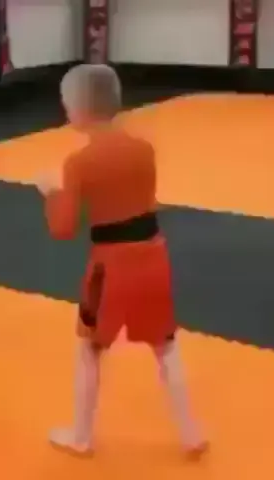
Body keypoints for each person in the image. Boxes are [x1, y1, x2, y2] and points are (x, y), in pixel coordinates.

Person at [36, 64, 207, 458]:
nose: (64, 110)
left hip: (109, 267)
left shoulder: (79, 162)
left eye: (66, 103)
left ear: (80, 108)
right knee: (166, 347)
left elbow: (63, 228)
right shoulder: (144, 149)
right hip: (153, 256)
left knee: (89, 349)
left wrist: (50, 194)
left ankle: (80, 437)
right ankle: (191, 433)